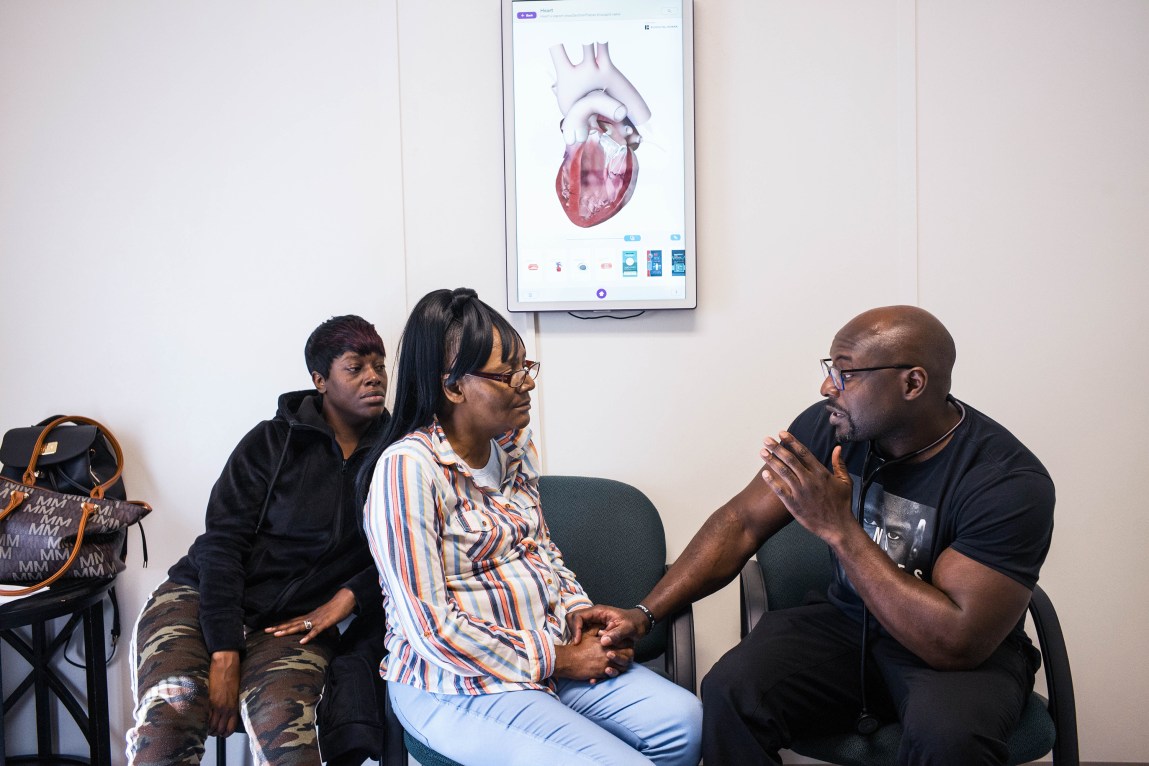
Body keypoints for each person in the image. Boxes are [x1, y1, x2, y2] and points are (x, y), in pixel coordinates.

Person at [586, 305, 1055, 765]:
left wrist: (838, 528)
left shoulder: (1006, 482)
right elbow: (742, 522)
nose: (828, 386)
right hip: (849, 623)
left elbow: (954, 642)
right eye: (831, 368)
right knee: (732, 688)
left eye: (847, 374)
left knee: (950, 738)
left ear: (913, 383)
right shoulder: (831, 426)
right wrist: (645, 614)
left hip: (954, 652)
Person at [361, 288, 702, 766]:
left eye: (526, 367)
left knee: (685, 724)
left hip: (543, 653)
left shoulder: (511, 453)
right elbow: (431, 629)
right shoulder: (407, 469)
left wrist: (586, 626)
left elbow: (544, 555)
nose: (527, 383)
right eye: (508, 374)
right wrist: (560, 658)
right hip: (453, 683)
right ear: (453, 387)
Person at [127, 315, 391, 766]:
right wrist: (225, 648)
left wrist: (351, 595)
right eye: (356, 367)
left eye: (380, 365)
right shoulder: (270, 443)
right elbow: (222, 544)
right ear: (320, 380)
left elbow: (409, 546)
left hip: (294, 625)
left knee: (287, 732)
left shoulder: (398, 455)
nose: (374, 377)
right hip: (199, 597)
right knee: (173, 714)